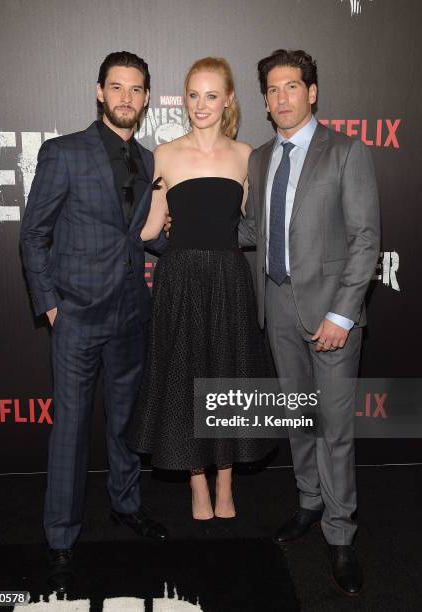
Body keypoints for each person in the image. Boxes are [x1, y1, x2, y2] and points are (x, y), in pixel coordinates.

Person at [20, 51, 168, 592]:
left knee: (126, 423)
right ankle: (60, 537)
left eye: (136, 89)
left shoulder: (152, 161)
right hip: (77, 315)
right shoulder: (63, 153)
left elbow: (149, 237)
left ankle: (125, 504)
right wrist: (51, 303)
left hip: (132, 313)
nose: (126, 97)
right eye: (117, 87)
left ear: (147, 97)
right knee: (72, 430)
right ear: (99, 92)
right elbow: (34, 235)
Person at [239, 49, 380, 594]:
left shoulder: (347, 151)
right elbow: (253, 231)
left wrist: (343, 313)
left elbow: (366, 239)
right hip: (276, 307)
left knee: (334, 430)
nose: (281, 97)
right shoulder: (258, 158)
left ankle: (340, 535)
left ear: (312, 92)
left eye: (291, 86)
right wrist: (196, 228)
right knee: (299, 418)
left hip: (331, 315)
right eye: (272, 90)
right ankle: (307, 502)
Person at [127, 57, 273, 521]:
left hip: (230, 279)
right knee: (186, 378)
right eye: (193, 95)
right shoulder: (163, 154)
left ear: (229, 99)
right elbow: (148, 231)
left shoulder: (247, 155)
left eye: (212, 95)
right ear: (184, 98)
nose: (201, 105)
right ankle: (196, 483)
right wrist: (166, 231)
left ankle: (226, 483)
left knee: (227, 377)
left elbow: (251, 227)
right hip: (180, 279)